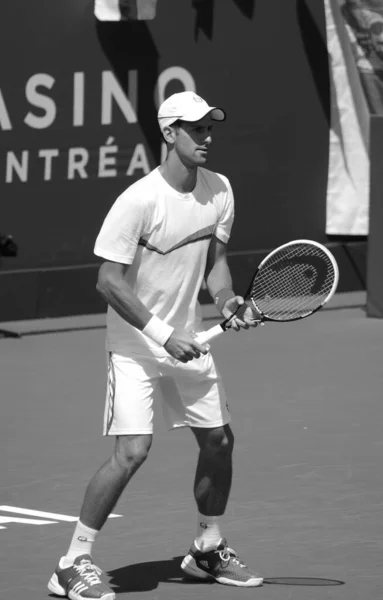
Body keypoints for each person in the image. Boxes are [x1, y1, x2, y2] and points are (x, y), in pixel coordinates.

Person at [47, 91, 263, 600]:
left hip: (190, 338)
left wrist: (228, 301)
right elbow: (108, 281)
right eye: (197, 129)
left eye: (210, 128)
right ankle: (71, 561)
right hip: (136, 346)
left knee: (219, 441)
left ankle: (207, 548)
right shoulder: (138, 200)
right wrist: (164, 335)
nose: (207, 137)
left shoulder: (221, 190)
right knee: (132, 452)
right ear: (170, 134)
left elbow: (216, 266)